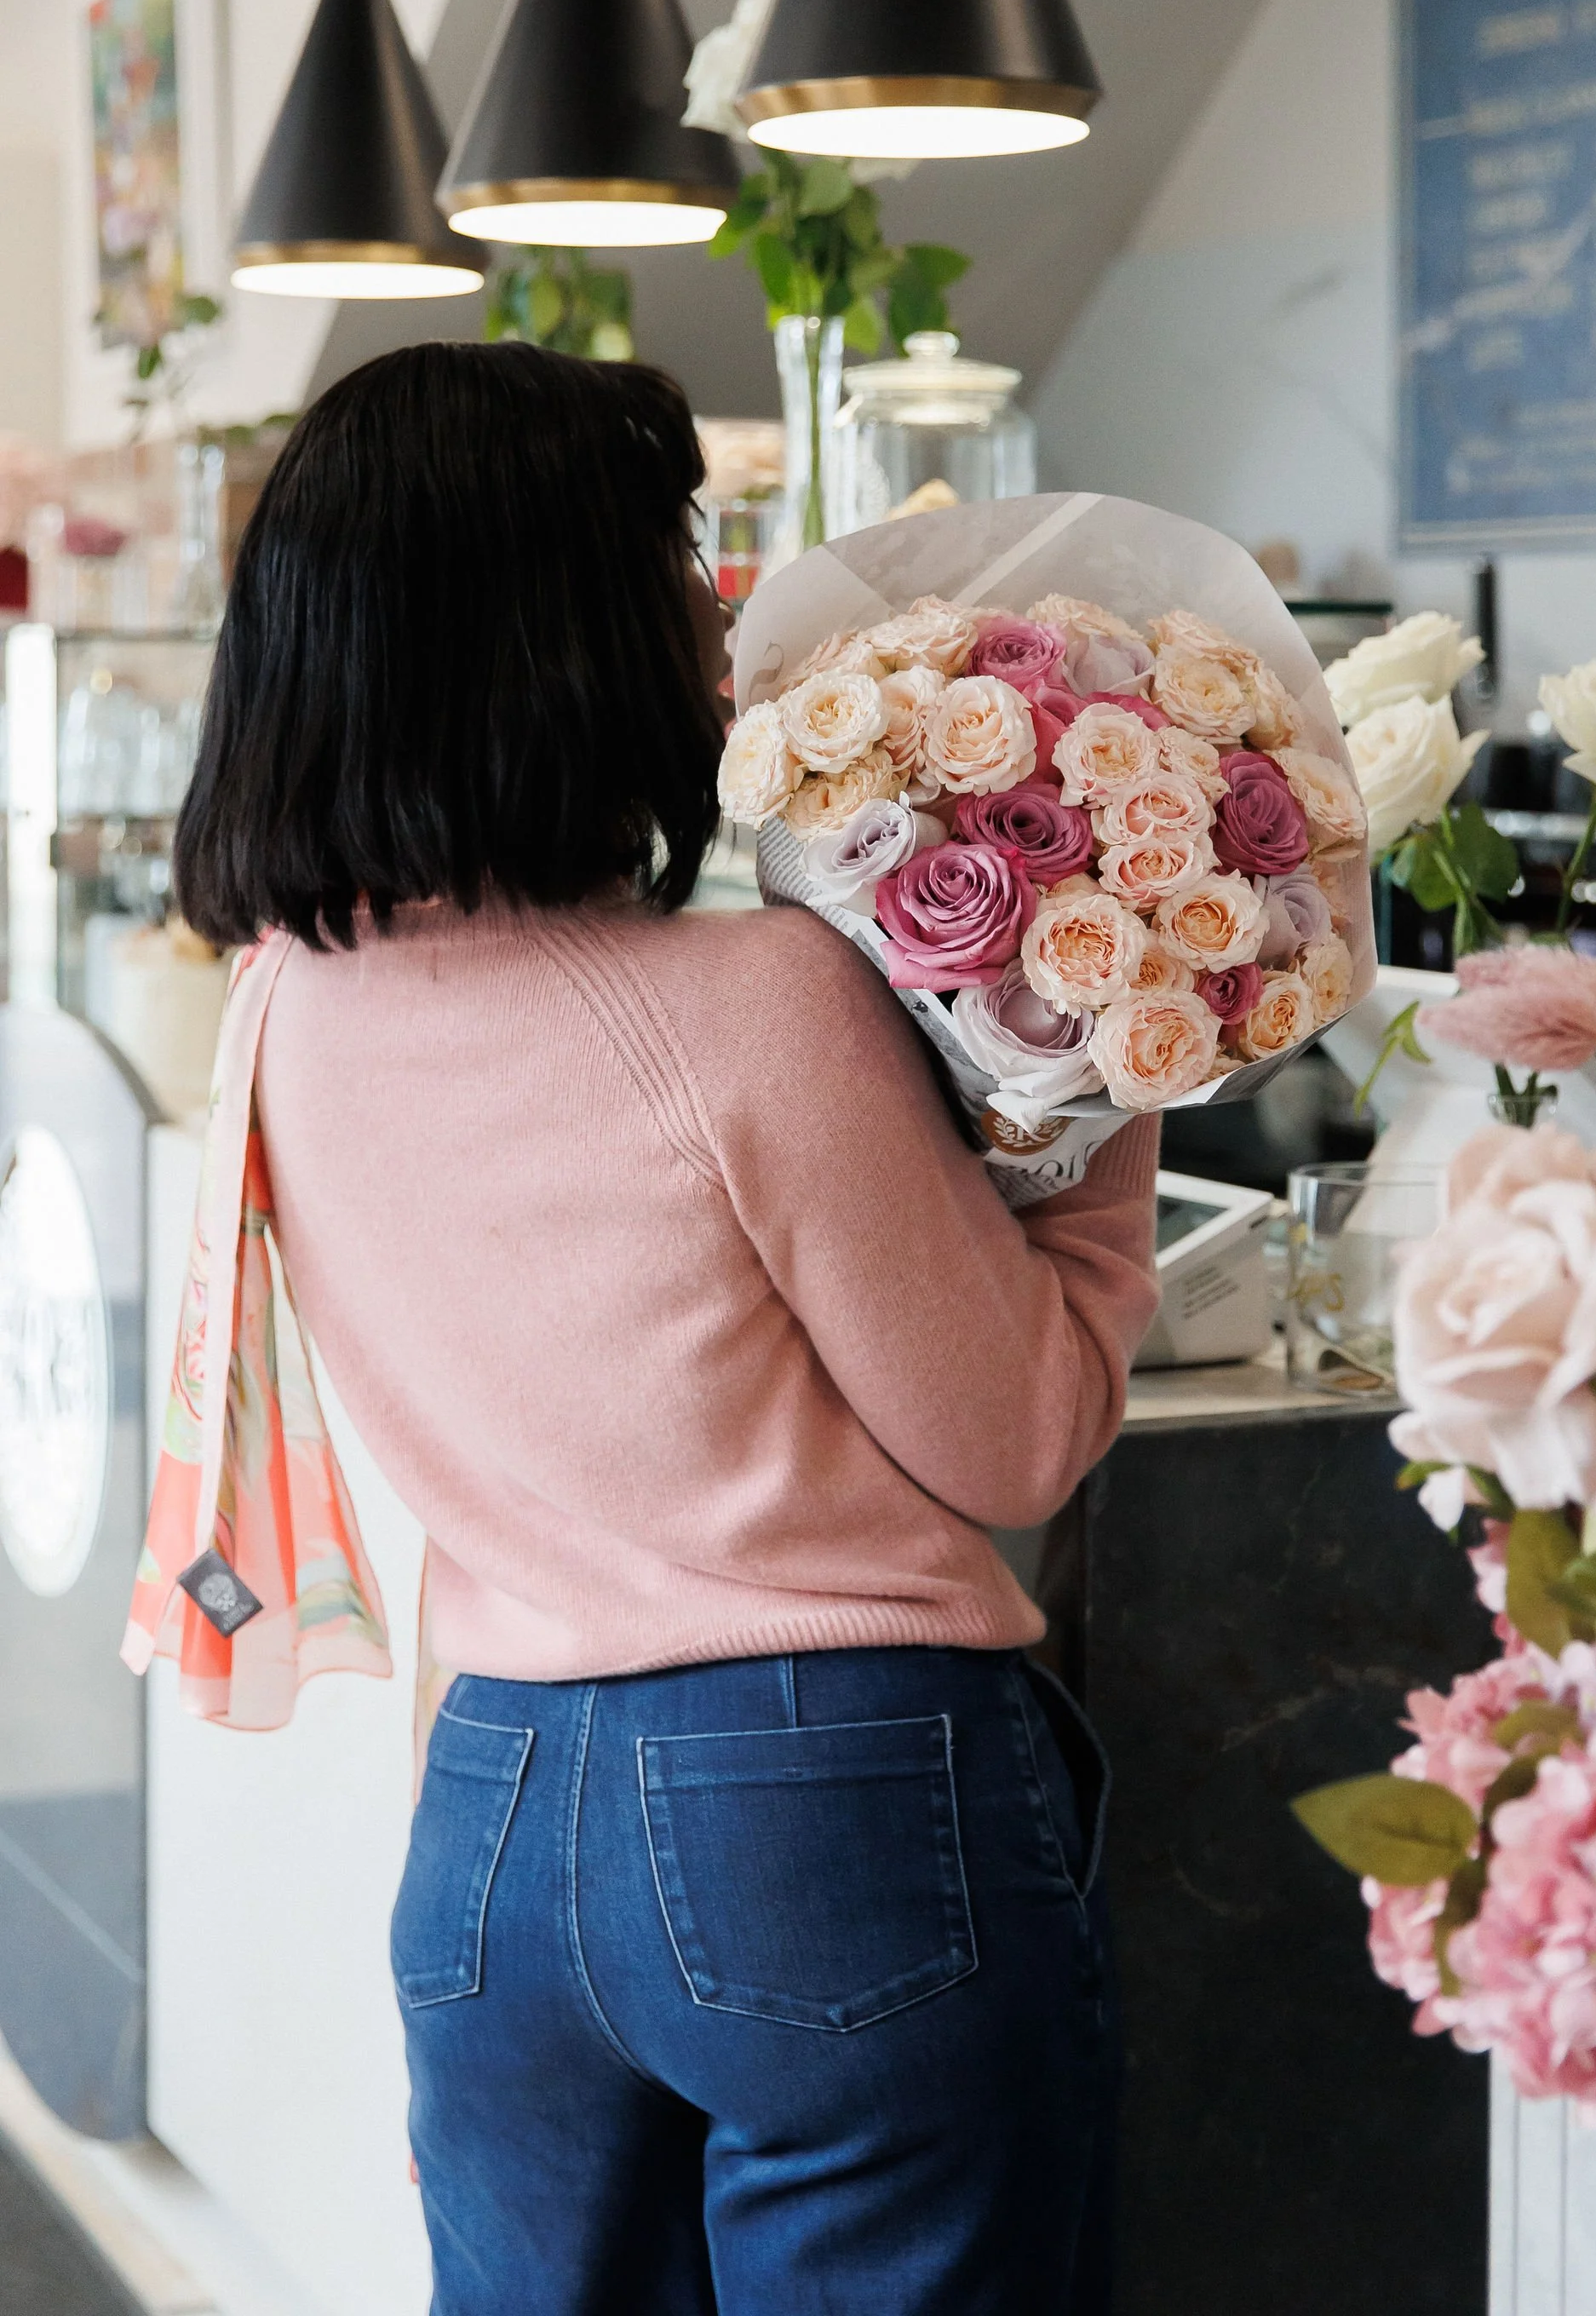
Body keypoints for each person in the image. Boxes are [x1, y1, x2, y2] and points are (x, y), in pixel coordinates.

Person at [173, 341, 1161, 2316]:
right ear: (569, 635)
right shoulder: (756, 1002)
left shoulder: (285, 1006)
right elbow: (1021, 1435)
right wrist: (1119, 1050)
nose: (710, 629)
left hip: (494, 1823)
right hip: (832, 1808)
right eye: (675, 572)